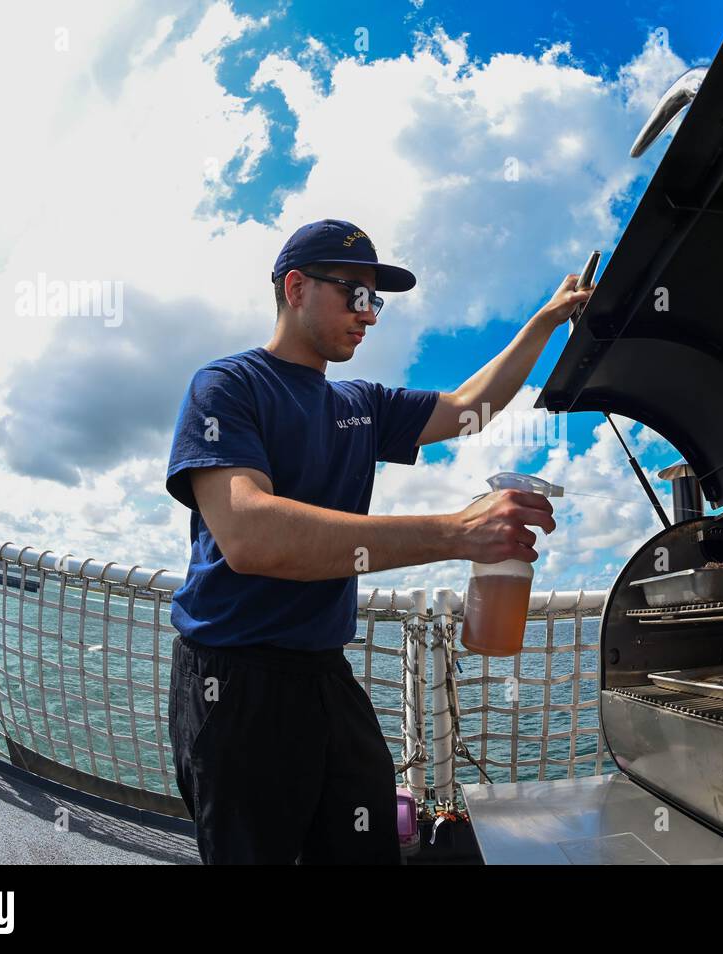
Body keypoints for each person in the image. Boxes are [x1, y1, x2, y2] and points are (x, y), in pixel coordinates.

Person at [164, 218, 593, 864]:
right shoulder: (226, 388)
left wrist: (546, 320)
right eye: (355, 295)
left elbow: (470, 406)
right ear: (296, 286)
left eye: (377, 301)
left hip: (323, 674)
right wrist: (457, 532)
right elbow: (250, 535)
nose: (369, 315)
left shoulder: (359, 405)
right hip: (232, 680)